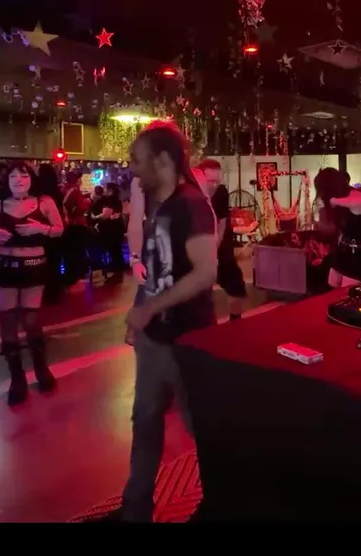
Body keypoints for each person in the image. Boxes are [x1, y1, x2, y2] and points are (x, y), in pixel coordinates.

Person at [120, 122, 218, 522]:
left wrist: (149, 308)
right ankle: (135, 509)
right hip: (155, 338)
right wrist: (142, 312)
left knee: (203, 428)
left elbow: (205, 272)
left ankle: (220, 502)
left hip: (187, 339)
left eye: (137, 160)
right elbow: (158, 269)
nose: (132, 169)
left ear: (162, 160)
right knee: (145, 422)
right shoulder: (157, 202)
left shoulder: (190, 204)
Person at [0, 162, 65, 406]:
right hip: (4, 266)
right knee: (7, 319)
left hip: (34, 265)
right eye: (13, 176)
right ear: (7, 181)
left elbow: (59, 229)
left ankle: (41, 369)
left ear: (31, 179)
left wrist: (41, 228)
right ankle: (17, 378)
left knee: (31, 320)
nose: (18, 180)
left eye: (23, 176)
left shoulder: (44, 202)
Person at [199, 159, 248, 320]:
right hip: (198, 246)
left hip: (220, 245)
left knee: (236, 285)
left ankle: (235, 320)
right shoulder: (191, 195)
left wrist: (214, 251)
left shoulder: (220, 192)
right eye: (210, 181)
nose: (214, 185)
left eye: (217, 181)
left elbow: (221, 225)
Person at [315, 167, 361, 286]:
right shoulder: (341, 200)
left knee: (348, 292)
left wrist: (332, 201)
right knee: (331, 288)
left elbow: (359, 201)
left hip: (357, 255)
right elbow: (330, 228)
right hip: (343, 251)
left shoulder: (354, 195)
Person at [35, 164, 67, 304]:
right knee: (54, 261)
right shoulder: (57, 190)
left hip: (43, 229)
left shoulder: (39, 192)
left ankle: (46, 291)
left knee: (44, 261)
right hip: (57, 229)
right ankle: (55, 291)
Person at [92, 183, 126, 278]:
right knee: (116, 250)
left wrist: (95, 217)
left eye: (105, 189)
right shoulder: (115, 200)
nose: (104, 190)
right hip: (116, 229)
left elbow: (106, 214)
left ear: (110, 190)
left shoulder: (111, 201)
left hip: (112, 230)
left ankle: (115, 268)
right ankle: (118, 268)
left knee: (113, 248)